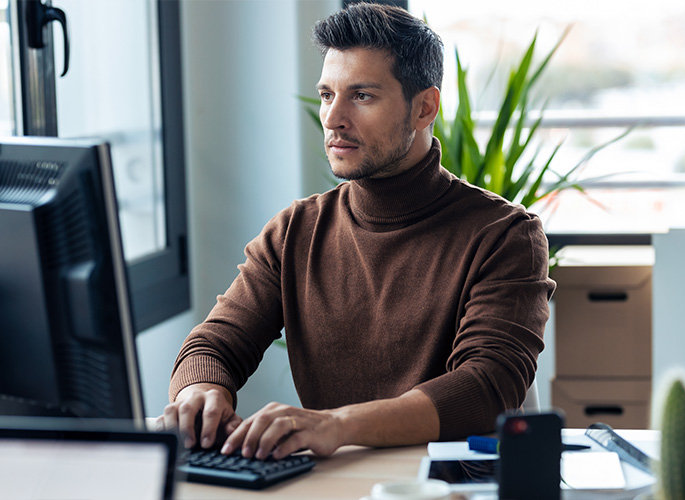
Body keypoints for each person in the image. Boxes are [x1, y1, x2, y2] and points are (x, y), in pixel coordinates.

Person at [158, 2, 555, 461]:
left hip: (446, 485)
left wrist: (337, 424)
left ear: (424, 107)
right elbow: (215, 344)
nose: (332, 118)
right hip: (337, 480)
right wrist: (199, 392)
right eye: (327, 95)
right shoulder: (296, 231)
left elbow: (487, 387)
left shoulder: (505, 234)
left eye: (361, 96)